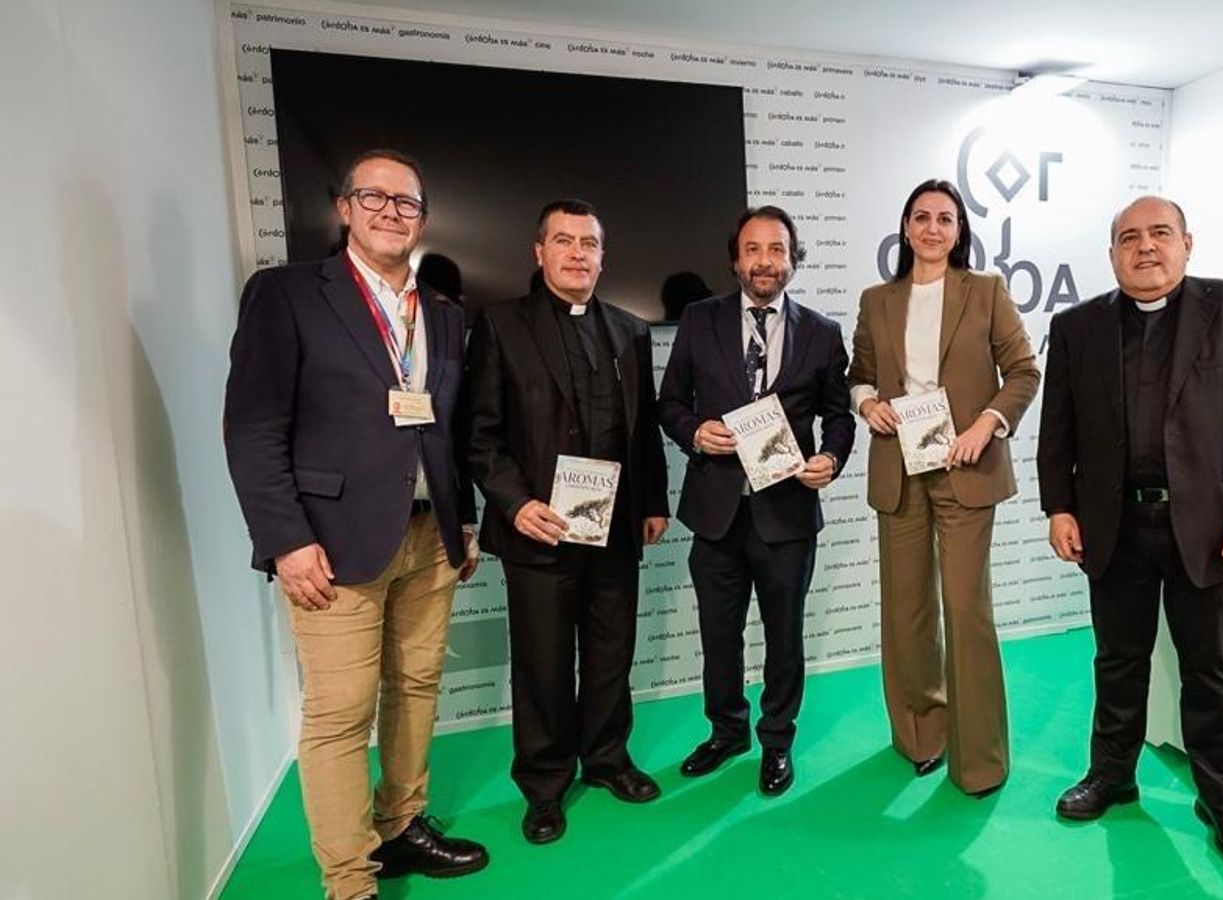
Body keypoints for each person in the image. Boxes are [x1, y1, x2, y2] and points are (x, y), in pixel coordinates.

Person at [223, 149, 488, 900]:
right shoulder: (287, 295)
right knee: (341, 714)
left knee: (416, 687)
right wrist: (284, 539)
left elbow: (447, 429)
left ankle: (402, 827)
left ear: (423, 219)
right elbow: (252, 426)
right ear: (344, 208)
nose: (390, 212)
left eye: (406, 202)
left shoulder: (443, 313)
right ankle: (350, 880)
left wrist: (462, 521)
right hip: (330, 544)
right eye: (373, 197)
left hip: (428, 537)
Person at [1037, 195, 1223, 868]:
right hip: (1114, 525)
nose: (1145, 246)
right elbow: (1057, 431)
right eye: (1130, 237)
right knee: (1117, 662)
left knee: (1211, 673)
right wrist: (1059, 507)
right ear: (1112, 253)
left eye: (1160, 233)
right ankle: (1112, 775)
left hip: (1211, 528)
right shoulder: (1076, 327)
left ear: (1188, 242)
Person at [462, 199, 670, 845]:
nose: (578, 253)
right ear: (539, 252)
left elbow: (644, 433)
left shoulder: (631, 330)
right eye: (564, 241)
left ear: (603, 256)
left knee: (611, 652)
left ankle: (607, 758)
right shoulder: (499, 325)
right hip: (539, 528)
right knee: (544, 663)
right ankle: (545, 785)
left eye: (589, 243)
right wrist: (517, 504)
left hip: (613, 526)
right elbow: (480, 436)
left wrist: (654, 501)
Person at [846, 179, 1039, 796]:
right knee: (906, 611)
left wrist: (986, 423)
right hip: (898, 467)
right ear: (905, 228)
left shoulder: (985, 292)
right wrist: (865, 400)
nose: (933, 228)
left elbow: (1023, 371)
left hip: (965, 465)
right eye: (922, 217)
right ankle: (920, 736)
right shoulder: (877, 299)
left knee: (964, 607)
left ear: (959, 232)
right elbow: (860, 373)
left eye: (946, 219)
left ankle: (980, 759)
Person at [658, 206, 855, 796]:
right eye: (753, 249)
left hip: (787, 512)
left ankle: (776, 741)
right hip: (716, 511)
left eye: (777, 249)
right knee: (719, 635)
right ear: (735, 259)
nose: (765, 260)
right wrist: (694, 431)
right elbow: (669, 403)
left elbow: (838, 414)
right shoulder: (699, 320)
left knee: (784, 634)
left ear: (793, 259)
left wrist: (831, 459)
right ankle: (725, 732)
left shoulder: (821, 331)